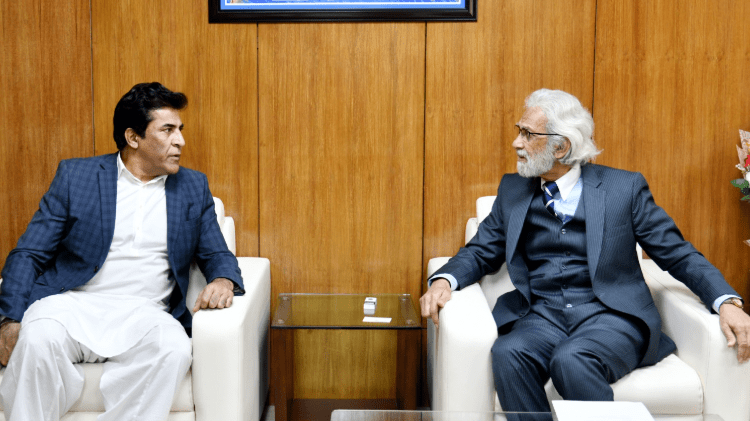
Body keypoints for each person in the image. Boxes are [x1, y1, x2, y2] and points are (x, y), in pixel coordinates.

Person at [420, 88, 750, 413]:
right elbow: (481, 249)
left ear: (561, 146)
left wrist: (726, 301)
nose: (516, 143)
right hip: (542, 317)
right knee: (509, 353)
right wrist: (444, 280)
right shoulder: (513, 190)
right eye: (519, 131)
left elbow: (677, 252)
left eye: (528, 134)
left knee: (572, 359)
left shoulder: (624, 188)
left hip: (612, 318)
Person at [0, 82, 245, 421]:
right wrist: (9, 320)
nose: (180, 141)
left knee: (173, 349)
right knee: (37, 339)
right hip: (71, 306)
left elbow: (216, 253)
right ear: (133, 137)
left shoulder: (192, 186)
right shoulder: (77, 176)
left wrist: (223, 280)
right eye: (168, 130)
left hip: (145, 312)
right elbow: (29, 253)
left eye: (180, 130)